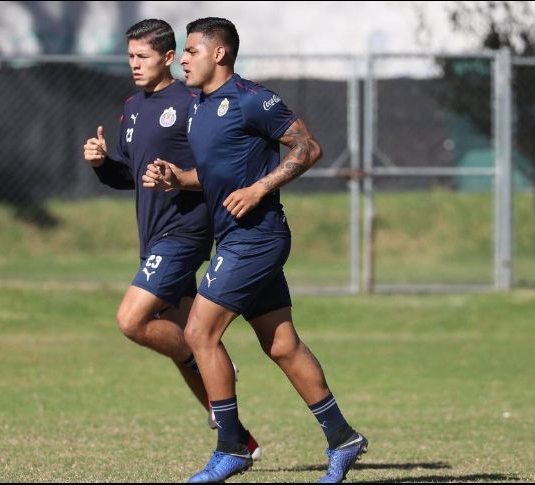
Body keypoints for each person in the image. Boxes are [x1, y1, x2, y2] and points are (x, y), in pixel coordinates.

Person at [143, 17, 367, 484]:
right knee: (281, 344)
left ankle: (231, 447)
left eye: (191, 51)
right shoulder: (199, 109)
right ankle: (343, 437)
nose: (182, 59)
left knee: (200, 332)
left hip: (257, 237)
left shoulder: (250, 99)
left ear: (219, 54)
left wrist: (260, 188)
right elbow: (216, 175)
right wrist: (176, 179)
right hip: (236, 238)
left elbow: (308, 147)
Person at [82, 18, 260, 459]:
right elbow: (132, 177)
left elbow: (219, 170)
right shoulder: (133, 106)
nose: (135, 65)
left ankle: (210, 363)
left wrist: (179, 180)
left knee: (132, 321)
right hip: (153, 234)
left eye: (143, 57)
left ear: (167, 57)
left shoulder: (192, 103)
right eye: (130, 57)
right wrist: (104, 163)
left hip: (185, 231)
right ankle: (237, 438)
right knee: (184, 336)